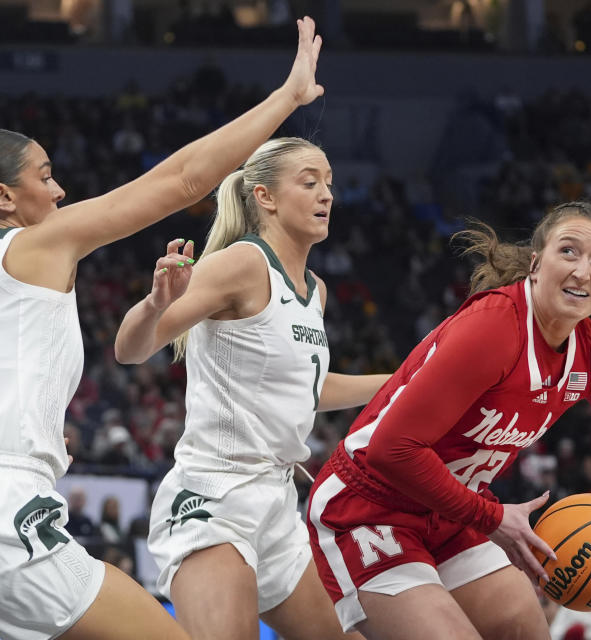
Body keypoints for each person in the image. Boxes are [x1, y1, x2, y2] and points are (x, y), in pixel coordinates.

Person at [0, 16, 325, 640]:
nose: (59, 191)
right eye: (45, 176)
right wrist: (286, 98)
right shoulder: (35, 244)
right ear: (2, 196)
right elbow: (182, 180)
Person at [306, 201, 591, 639]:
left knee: (526, 631)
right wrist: (493, 519)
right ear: (536, 264)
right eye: (568, 251)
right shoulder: (495, 328)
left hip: (456, 510)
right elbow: (391, 449)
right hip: (371, 507)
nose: (581, 271)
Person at [115, 135, 390, 640]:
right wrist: (155, 303)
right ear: (264, 196)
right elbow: (131, 350)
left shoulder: (315, 290)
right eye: (309, 183)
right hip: (215, 495)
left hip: (277, 501)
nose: (327, 194)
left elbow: (305, 388)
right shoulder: (242, 263)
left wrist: (398, 383)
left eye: (330, 183)